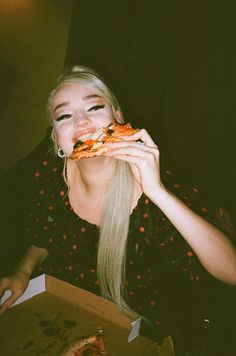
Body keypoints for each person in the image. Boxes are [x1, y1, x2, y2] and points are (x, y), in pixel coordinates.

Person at [0, 66, 236, 355]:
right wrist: (22, 270)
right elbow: (46, 234)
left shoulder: (152, 189)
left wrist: (158, 192)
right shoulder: (50, 175)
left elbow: (232, 272)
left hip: (137, 326)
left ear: (119, 119)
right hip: (61, 306)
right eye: (64, 115)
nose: (82, 121)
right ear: (57, 140)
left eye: (95, 107)